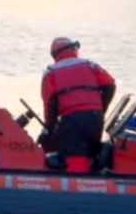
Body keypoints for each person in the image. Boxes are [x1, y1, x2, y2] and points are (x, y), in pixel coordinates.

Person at [40, 36, 117, 174]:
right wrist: (101, 108)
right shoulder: (90, 65)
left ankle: (78, 189)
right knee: (90, 155)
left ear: (54, 54)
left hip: (73, 121)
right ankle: (97, 185)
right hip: (95, 119)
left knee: (75, 159)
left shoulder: (51, 72)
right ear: (74, 49)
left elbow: (50, 103)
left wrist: (49, 130)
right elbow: (109, 85)